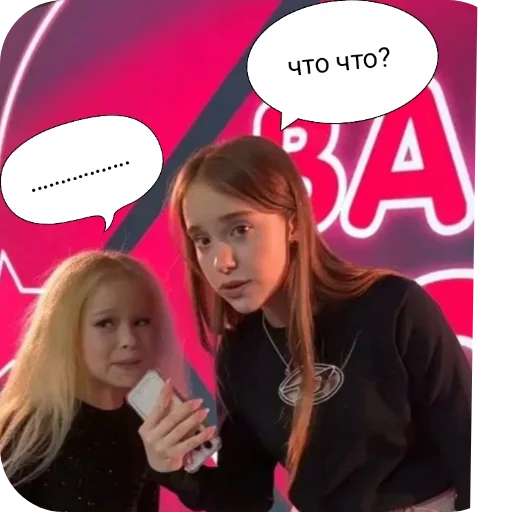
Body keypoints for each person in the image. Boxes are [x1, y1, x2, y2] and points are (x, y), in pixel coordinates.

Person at [138, 135, 472, 512]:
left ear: (293, 222)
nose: (221, 262)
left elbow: (466, 443)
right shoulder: (240, 352)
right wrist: (172, 468)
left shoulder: (393, 306)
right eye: (202, 240)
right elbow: (243, 496)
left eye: (240, 230)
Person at [0, 250, 188, 511]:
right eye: (106, 323)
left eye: (141, 321)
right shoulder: (31, 429)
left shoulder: (145, 426)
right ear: (67, 331)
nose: (129, 339)